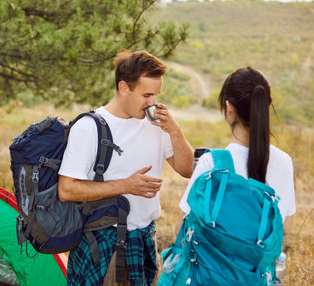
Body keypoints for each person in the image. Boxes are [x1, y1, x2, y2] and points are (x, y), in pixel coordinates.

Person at [58, 50, 193, 285]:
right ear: (123, 87)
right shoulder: (89, 128)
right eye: (146, 95)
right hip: (102, 243)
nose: (153, 102)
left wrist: (174, 130)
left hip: (144, 239)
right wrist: (125, 186)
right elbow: (67, 190)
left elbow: (188, 169)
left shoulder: (157, 126)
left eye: (156, 95)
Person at [179, 66, 296, 240]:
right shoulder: (284, 161)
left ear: (228, 107)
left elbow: (183, 229)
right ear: (267, 107)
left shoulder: (212, 162)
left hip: (215, 266)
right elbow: (285, 226)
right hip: (260, 267)